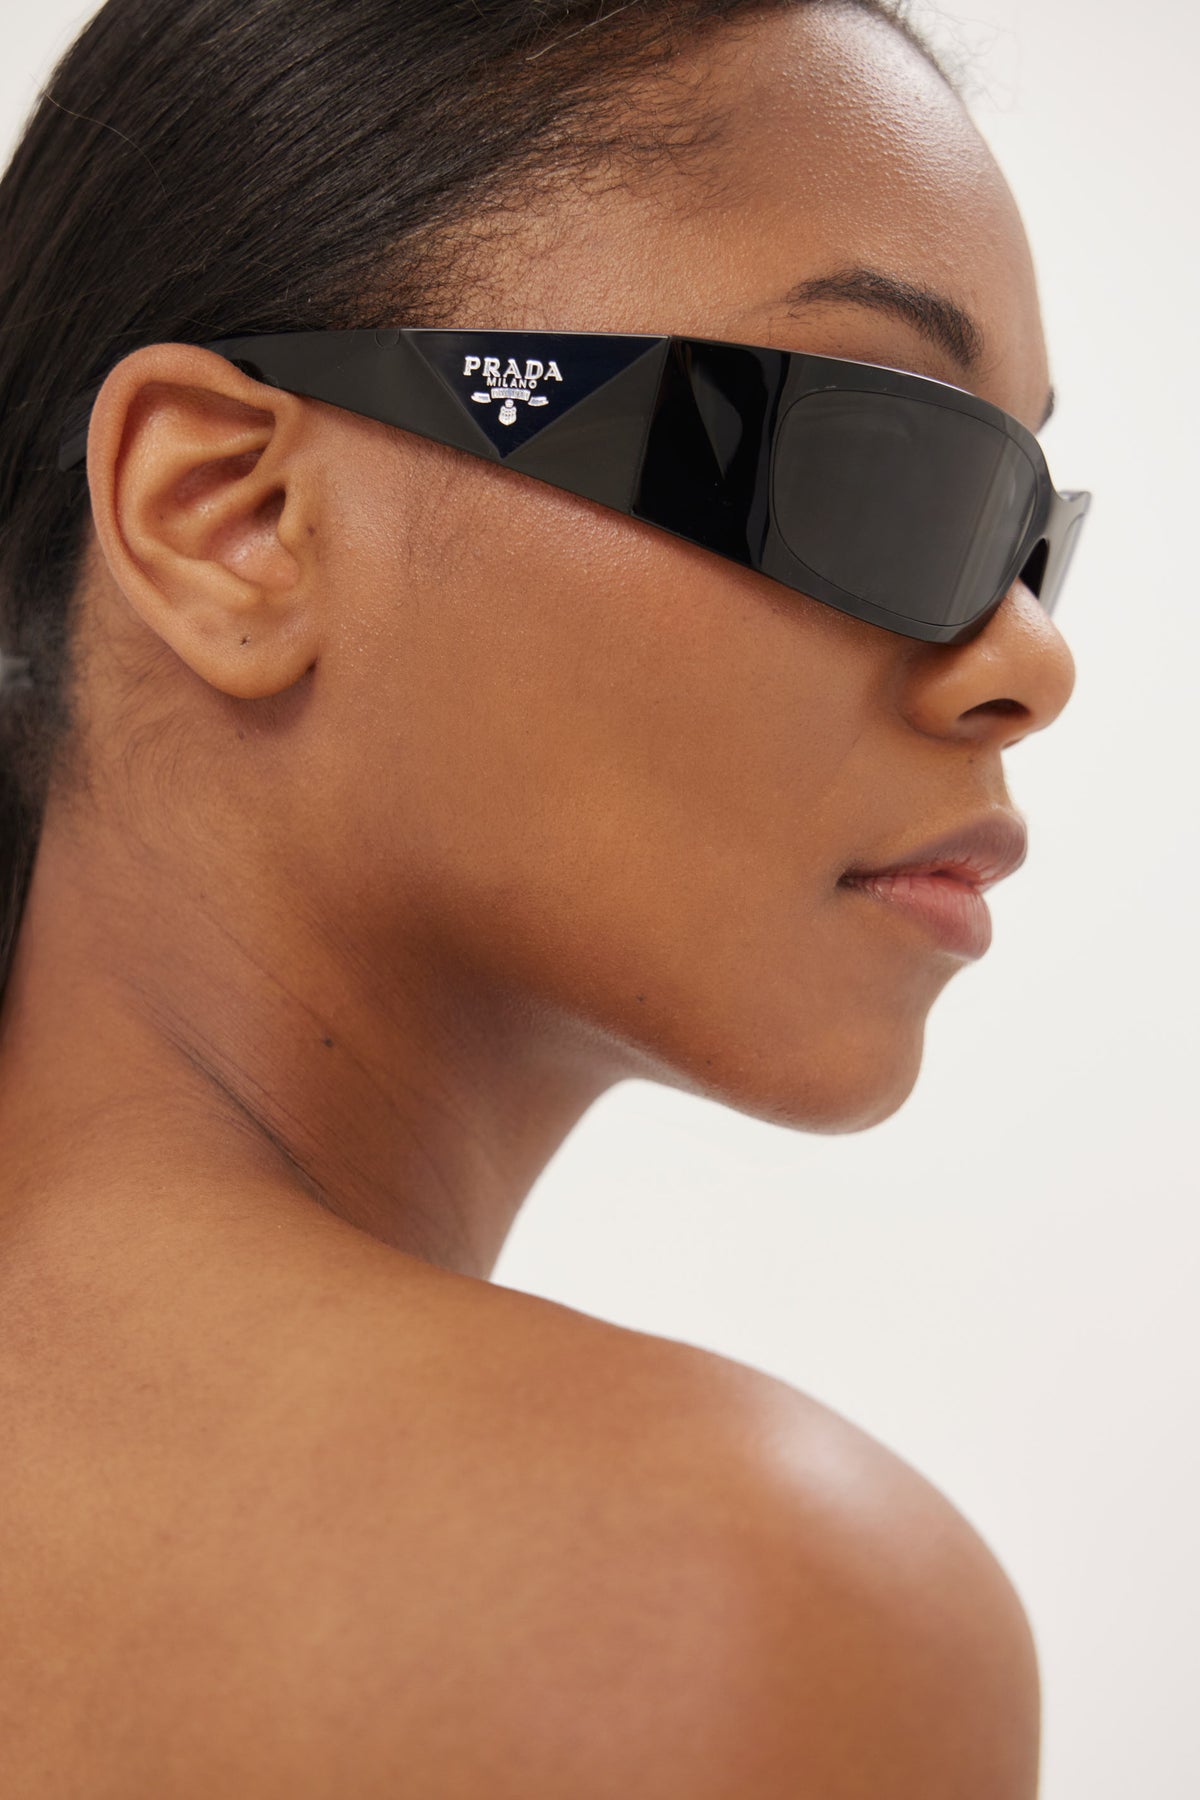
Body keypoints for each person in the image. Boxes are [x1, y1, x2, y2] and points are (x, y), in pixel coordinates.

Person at [0, 1, 1078, 1792]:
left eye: (1034, 536)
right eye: (873, 461)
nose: (1032, 661)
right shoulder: (717, 1609)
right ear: (227, 515)